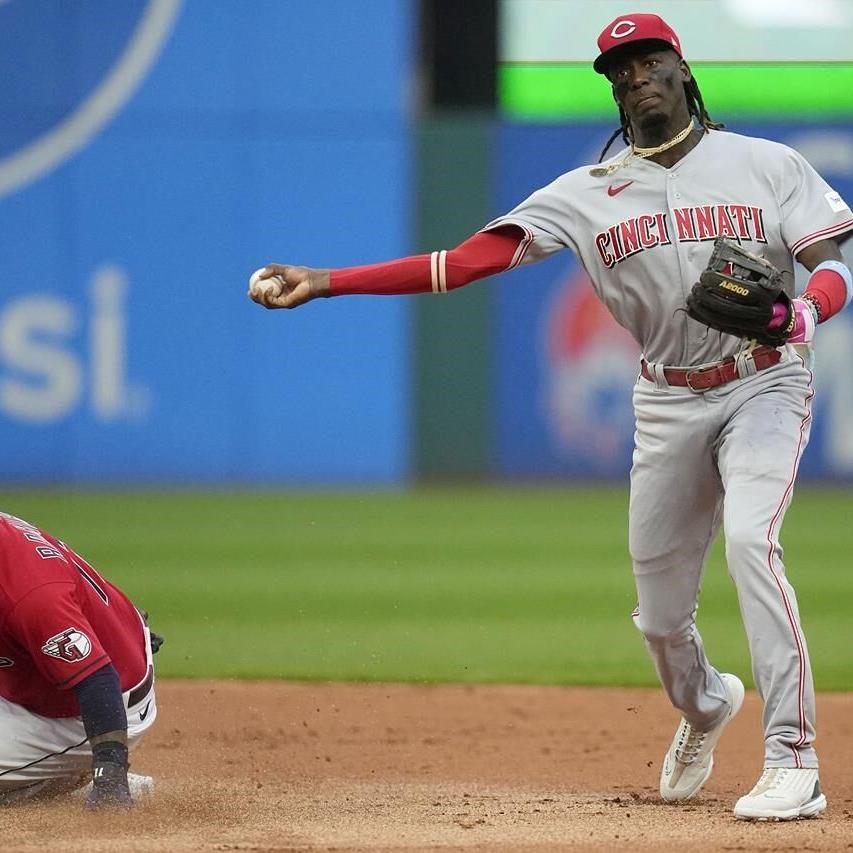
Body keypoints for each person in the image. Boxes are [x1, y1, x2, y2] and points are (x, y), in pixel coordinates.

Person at [247, 13, 852, 820]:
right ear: (611, 88)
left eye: (647, 60)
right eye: (618, 69)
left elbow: (831, 263)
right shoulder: (583, 194)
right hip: (667, 396)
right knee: (661, 618)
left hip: (763, 381)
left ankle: (792, 758)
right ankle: (706, 703)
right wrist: (327, 279)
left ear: (680, 67)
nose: (634, 77)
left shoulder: (764, 164)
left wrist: (800, 318)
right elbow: (461, 263)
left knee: (750, 538)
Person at [0, 511, 162, 808]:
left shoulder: (33, 597)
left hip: (90, 710)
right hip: (34, 675)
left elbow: (97, 681)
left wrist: (110, 778)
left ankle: (67, 785)